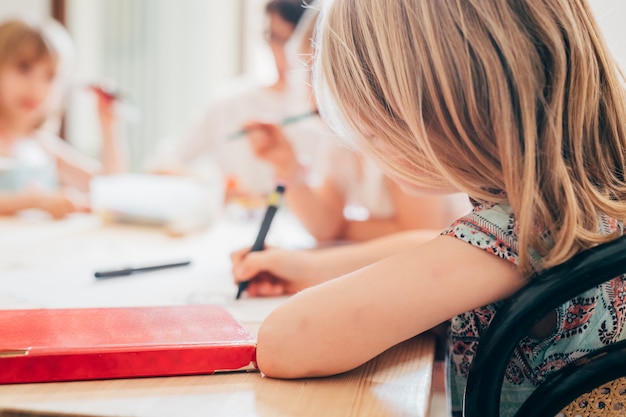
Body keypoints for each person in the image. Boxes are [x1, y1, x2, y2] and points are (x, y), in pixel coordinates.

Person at [233, 1, 626, 416]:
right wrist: (305, 268)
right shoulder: (587, 209)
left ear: (440, 105)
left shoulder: (522, 234)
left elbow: (286, 341)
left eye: (371, 121)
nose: (366, 141)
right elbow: (439, 249)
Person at [243, 5, 467, 241]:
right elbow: (323, 225)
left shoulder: (395, 139)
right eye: (309, 78)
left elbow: (419, 231)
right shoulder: (344, 139)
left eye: (320, 79)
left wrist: (340, 228)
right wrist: (288, 167)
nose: (312, 95)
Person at [146, 0, 324, 202]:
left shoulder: (327, 115)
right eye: (275, 38)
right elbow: (159, 165)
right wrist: (217, 186)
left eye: (292, 39)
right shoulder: (228, 103)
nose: (283, 53)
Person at [0, 18, 125, 219]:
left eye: (49, 76)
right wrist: (38, 201)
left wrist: (108, 125)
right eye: (24, 68)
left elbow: (111, 187)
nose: (36, 87)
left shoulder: (43, 146)